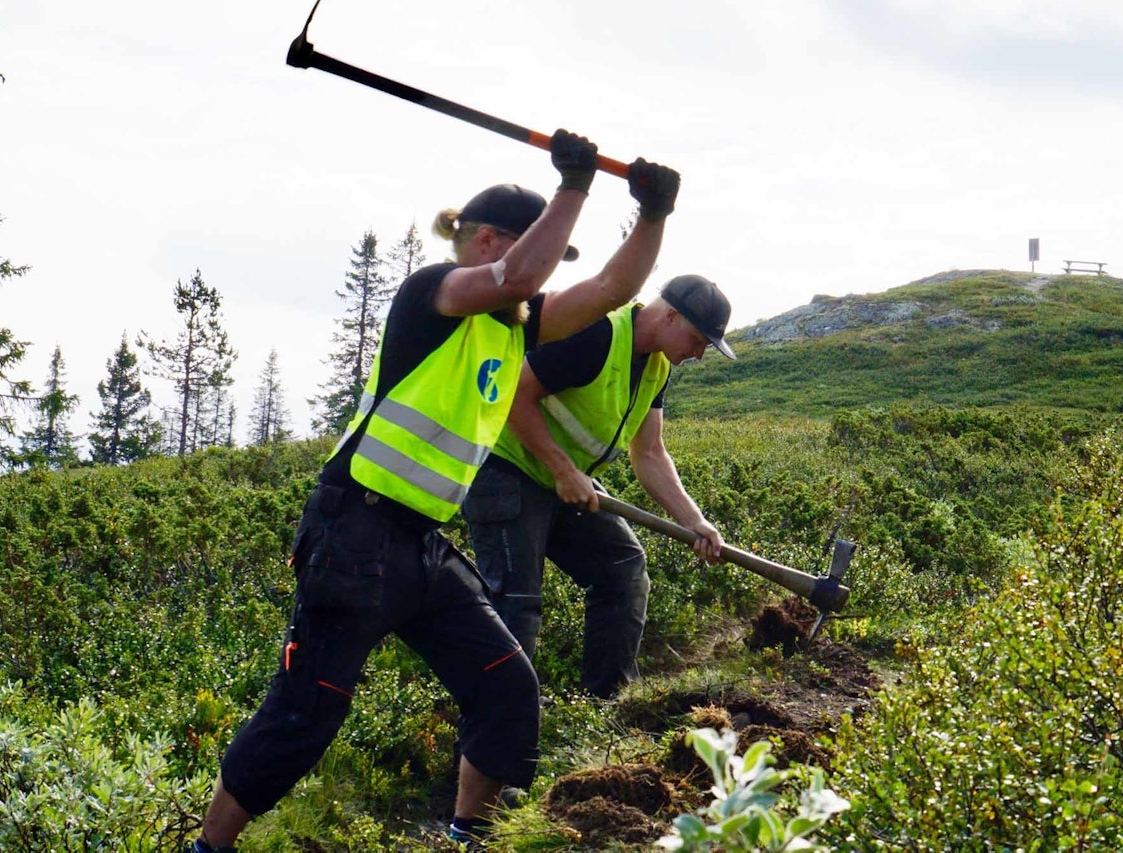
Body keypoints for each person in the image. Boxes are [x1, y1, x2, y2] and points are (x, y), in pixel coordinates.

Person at [190, 130, 680, 853]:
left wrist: (653, 215)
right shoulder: (435, 294)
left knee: (507, 685)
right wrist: (574, 187)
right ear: (487, 241)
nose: (544, 278)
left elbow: (610, 291)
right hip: (353, 531)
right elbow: (517, 279)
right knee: (306, 714)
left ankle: (466, 834)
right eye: (535, 250)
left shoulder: (518, 327)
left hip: (419, 545)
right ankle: (208, 846)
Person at [462, 273, 735, 699]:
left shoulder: (657, 365)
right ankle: (497, 733)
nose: (700, 353)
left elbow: (649, 453)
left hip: (562, 482)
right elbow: (511, 391)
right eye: (700, 339)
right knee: (516, 605)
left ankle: (607, 706)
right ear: (670, 316)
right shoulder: (598, 333)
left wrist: (694, 520)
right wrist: (563, 469)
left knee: (622, 569)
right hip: (505, 471)